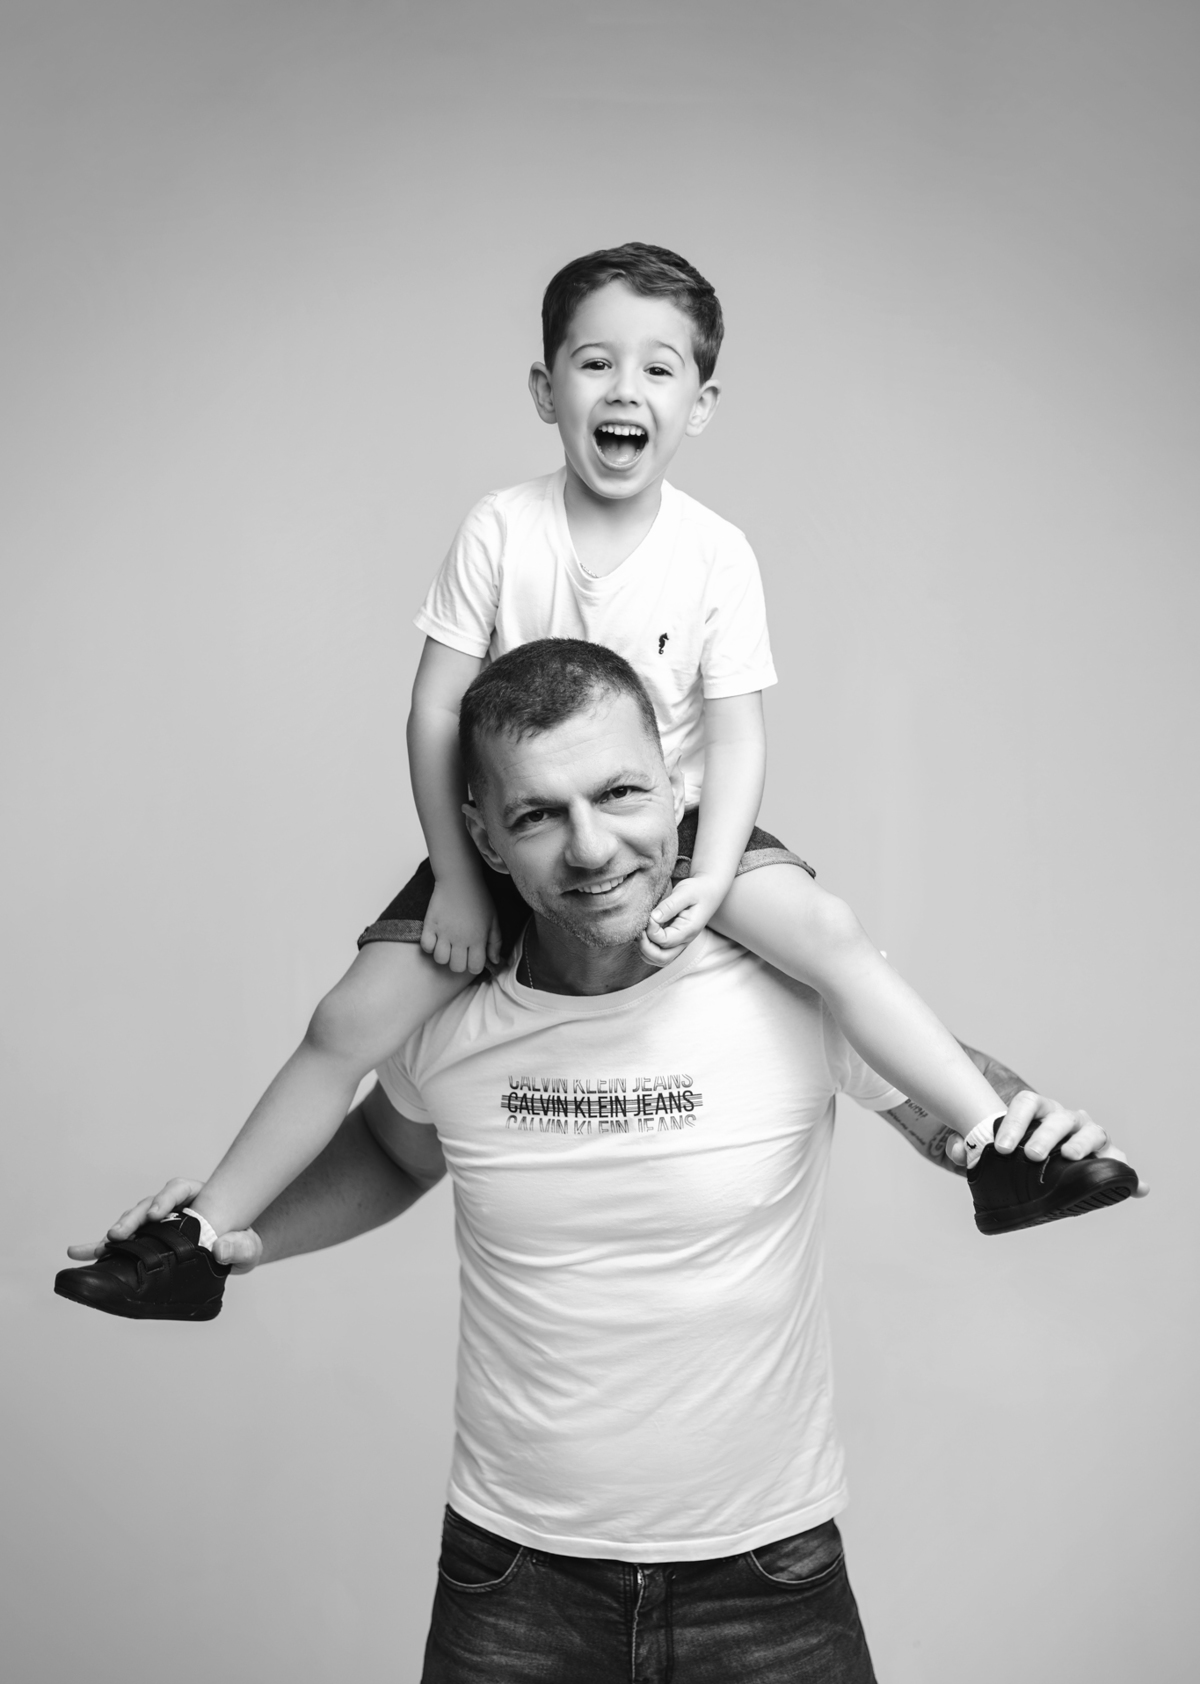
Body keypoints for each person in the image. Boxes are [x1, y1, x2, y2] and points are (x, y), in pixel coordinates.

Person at [59, 644, 1140, 1684]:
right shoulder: (445, 1013)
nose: (589, 848)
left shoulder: (796, 990)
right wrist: (232, 1237)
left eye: (620, 793)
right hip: (513, 1588)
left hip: (768, 1582)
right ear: (483, 839)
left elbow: (959, 1112)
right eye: (539, 815)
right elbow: (389, 1150)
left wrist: (1031, 1129)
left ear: (680, 789)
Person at [54, 245, 1112, 1312]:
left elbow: (739, 737)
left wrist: (713, 872)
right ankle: (198, 1243)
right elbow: (433, 713)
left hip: (680, 829)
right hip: (507, 839)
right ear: (544, 388)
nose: (624, 390)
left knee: (829, 936)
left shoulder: (715, 552)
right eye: (596, 363)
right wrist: (458, 879)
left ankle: (999, 1148)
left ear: (701, 404)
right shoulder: (500, 528)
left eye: (659, 369)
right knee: (346, 1021)